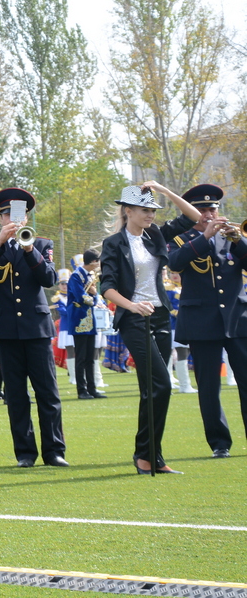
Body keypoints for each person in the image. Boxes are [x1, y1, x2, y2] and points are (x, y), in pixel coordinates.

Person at [99, 182, 199, 474]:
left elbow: (192, 217)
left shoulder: (155, 235)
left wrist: (162, 190)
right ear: (128, 211)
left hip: (159, 316)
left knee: (153, 391)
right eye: (145, 210)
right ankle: (146, 455)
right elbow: (107, 287)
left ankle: (150, 456)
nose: (151, 215)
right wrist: (131, 306)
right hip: (133, 319)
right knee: (162, 384)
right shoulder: (114, 243)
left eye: (153, 210)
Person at [0, 188, 68, 469]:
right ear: (0, 218)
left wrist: (28, 247)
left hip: (36, 328)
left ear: (27, 217)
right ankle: (25, 453)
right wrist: (0, 243)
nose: (14, 219)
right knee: (16, 395)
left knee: (47, 392)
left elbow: (48, 278)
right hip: (6, 331)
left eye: (19, 215)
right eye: (8, 215)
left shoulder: (42, 243)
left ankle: (54, 451)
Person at [167, 184, 247, 458]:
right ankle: (219, 443)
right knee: (209, 388)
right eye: (202, 209)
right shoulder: (181, 239)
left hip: (238, 320)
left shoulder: (232, 237)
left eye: (212, 208)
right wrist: (205, 237)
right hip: (202, 322)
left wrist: (238, 240)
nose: (208, 213)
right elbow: (175, 263)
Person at [67, 250, 106, 400]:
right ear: (92, 262)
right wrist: (93, 295)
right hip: (79, 320)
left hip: (90, 319)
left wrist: (94, 295)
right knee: (81, 357)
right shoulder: (76, 276)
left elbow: (94, 299)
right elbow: (80, 297)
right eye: (98, 261)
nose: (98, 264)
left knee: (91, 357)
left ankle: (92, 388)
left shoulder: (89, 276)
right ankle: (81, 390)